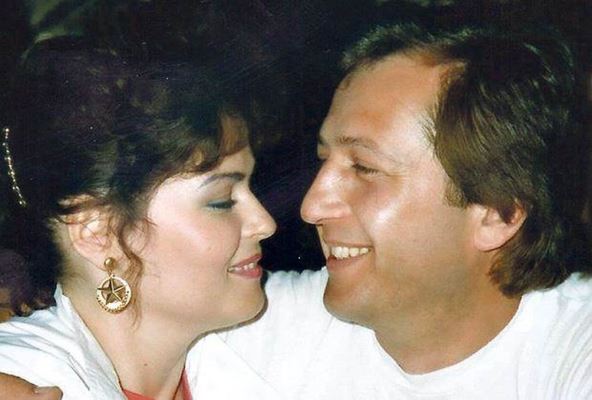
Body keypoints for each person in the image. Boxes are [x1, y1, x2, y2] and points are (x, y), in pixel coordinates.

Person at [4, 21, 592, 400]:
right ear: (99, 231)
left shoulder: (570, 344)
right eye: (220, 199)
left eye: (364, 168)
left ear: (497, 213)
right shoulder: (46, 370)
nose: (304, 209)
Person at [0, 35, 277, 399]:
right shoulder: (25, 375)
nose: (265, 223)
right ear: (99, 232)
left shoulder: (264, 330)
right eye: (221, 201)